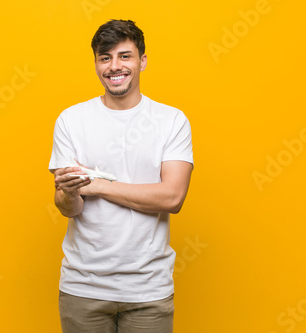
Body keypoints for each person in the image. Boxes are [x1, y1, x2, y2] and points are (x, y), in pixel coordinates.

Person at [49, 19, 194, 333]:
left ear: (141, 61)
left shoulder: (171, 121)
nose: (114, 66)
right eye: (105, 58)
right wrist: (72, 193)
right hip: (83, 287)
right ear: (97, 64)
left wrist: (98, 185)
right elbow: (68, 208)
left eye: (124, 56)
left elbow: (171, 198)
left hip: (148, 290)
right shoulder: (71, 120)